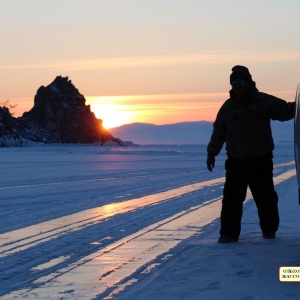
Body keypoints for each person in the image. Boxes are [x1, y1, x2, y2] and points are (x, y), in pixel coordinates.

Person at [206, 65, 295, 243]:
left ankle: (269, 231)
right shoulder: (227, 107)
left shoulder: (263, 101)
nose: (238, 86)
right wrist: (211, 153)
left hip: (260, 159)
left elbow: (284, 111)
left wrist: (296, 106)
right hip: (236, 161)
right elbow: (218, 132)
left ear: (249, 82)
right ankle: (228, 234)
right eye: (235, 83)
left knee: (265, 199)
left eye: (241, 82)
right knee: (231, 200)